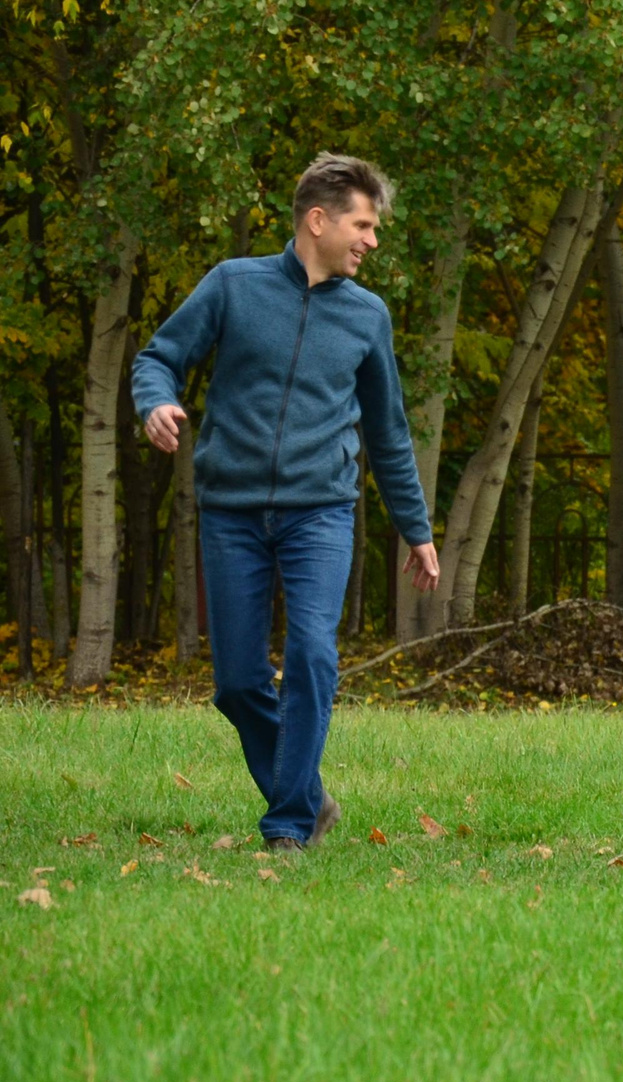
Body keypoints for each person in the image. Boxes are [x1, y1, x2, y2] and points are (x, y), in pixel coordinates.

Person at [130, 153, 440, 854]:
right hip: (231, 511)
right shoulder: (233, 286)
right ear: (318, 220)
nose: (372, 241)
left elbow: (388, 432)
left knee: (310, 658)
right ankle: (308, 796)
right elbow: (158, 358)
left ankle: (288, 828)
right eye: (363, 225)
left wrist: (415, 531)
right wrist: (156, 403)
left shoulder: (367, 317)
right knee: (239, 684)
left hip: (320, 513)